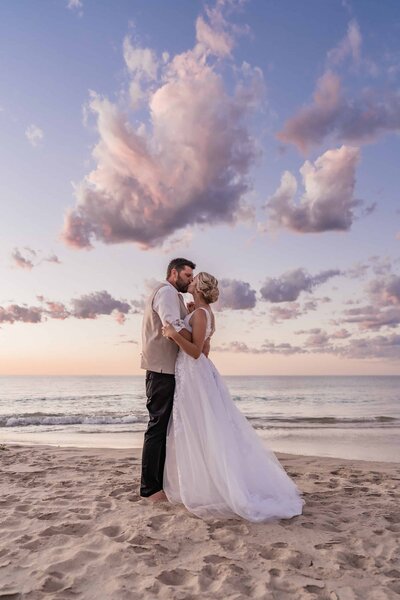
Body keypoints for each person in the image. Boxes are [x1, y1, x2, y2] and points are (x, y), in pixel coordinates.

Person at [162, 272, 304, 522]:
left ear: (199, 287)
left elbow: (196, 352)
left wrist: (175, 334)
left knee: (202, 428)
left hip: (193, 374)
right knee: (201, 427)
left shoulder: (201, 314)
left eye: (194, 280)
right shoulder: (203, 313)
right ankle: (207, 483)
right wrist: (189, 316)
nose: (190, 281)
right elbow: (205, 349)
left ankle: (215, 487)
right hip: (196, 374)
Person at [139, 258, 196, 502]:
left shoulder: (175, 296)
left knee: (163, 428)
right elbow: (171, 325)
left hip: (166, 370)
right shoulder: (166, 292)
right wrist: (196, 339)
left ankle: (160, 484)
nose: (190, 280)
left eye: (192, 276)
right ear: (174, 273)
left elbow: (177, 321)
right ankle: (150, 489)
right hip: (161, 370)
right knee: (157, 428)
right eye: (187, 275)